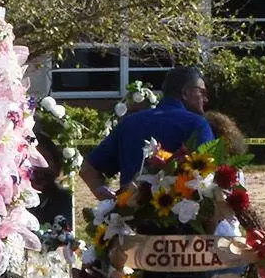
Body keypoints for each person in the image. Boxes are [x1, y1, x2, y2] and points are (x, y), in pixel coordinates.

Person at [78, 65, 213, 196]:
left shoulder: (129, 123)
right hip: (181, 216)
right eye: (202, 92)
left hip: (131, 217)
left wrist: (112, 201)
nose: (206, 99)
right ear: (185, 93)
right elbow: (209, 176)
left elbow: (88, 170)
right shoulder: (197, 124)